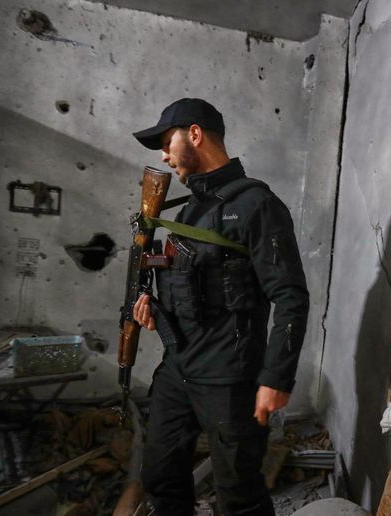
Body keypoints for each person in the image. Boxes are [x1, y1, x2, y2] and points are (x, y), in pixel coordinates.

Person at [130, 98, 309, 515]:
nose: (163, 154)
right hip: (179, 367)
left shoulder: (257, 206)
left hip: (230, 375)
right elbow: (195, 285)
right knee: (160, 475)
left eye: (166, 141)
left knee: (238, 494)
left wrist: (276, 378)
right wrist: (153, 308)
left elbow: (289, 296)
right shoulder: (191, 208)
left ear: (194, 134)